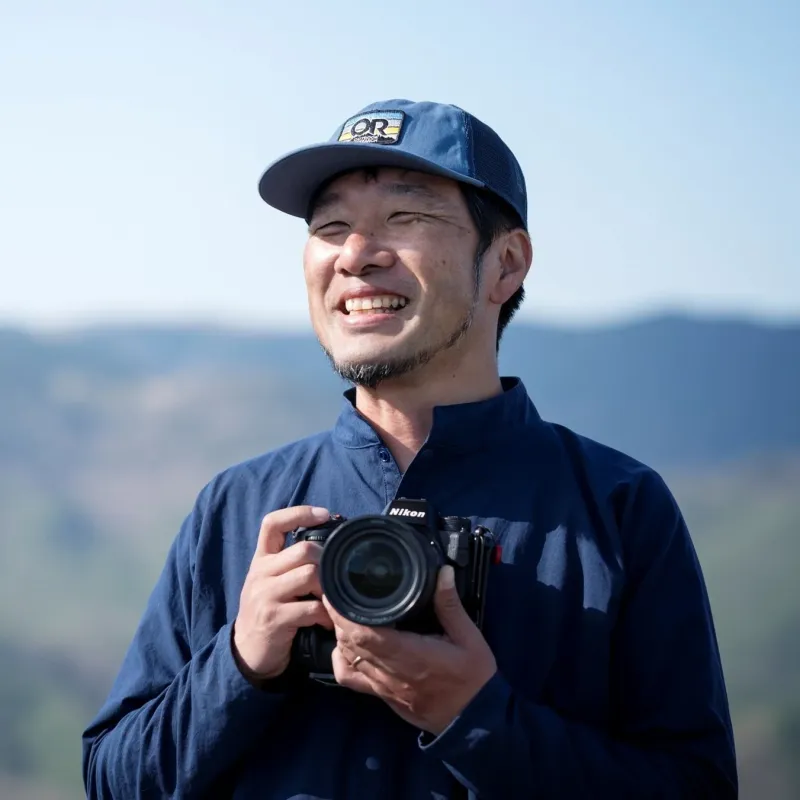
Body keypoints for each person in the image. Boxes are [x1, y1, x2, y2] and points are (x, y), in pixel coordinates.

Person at [81, 98, 738, 799]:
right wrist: (239, 665)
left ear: (506, 264)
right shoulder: (237, 507)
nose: (357, 255)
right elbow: (112, 781)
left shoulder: (618, 508)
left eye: (407, 218)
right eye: (330, 227)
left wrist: (477, 718)